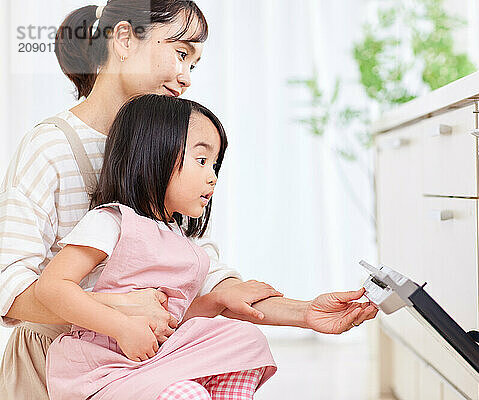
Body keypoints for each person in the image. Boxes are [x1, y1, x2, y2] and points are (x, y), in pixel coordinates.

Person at [0, 1, 378, 398]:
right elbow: (8, 287)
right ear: (125, 38)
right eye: (181, 53)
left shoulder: (161, 148)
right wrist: (120, 310)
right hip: (54, 368)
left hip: (142, 362)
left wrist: (304, 312)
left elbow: (197, 268)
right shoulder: (52, 146)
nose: (186, 77)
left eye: (194, 64)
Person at [36, 94, 280, 400]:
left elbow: (172, 318)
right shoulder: (111, 221)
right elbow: (51, 288)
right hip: (103, 367)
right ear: (154, 153)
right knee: (187, 393)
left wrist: (216, 300)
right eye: (202, 161)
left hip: (156, 357)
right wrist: (122, 327)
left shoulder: (184, 242)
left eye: (215, 164)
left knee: (246, 339)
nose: (212, 177)